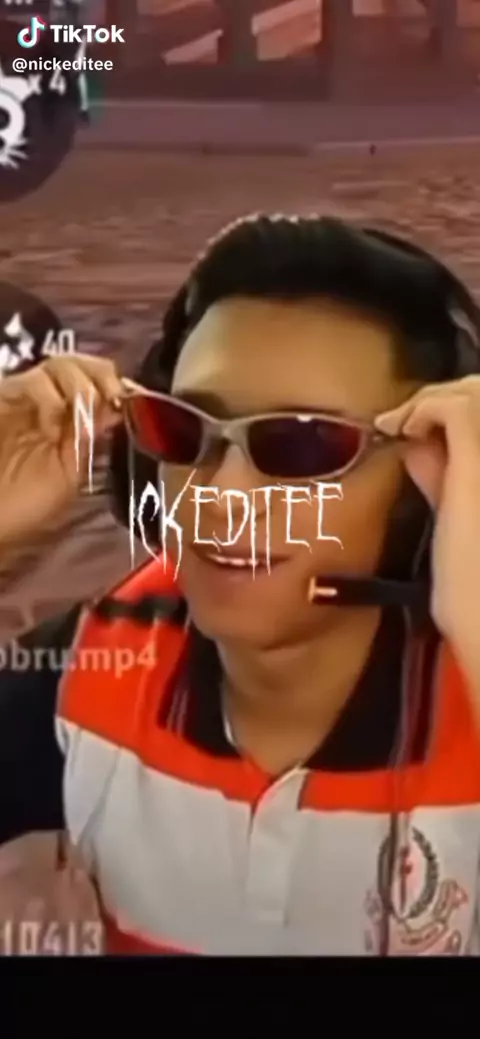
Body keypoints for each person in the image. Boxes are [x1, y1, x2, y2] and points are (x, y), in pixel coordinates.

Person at [1, 214, 480, 956]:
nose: (220, 495)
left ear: (425, 492)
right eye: (183, 429)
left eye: (303, 444)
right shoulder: (95, 665)